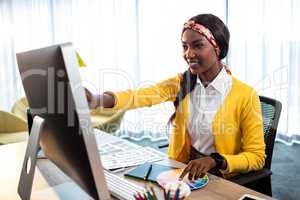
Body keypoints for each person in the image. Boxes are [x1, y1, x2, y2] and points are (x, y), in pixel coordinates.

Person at [85, 13, 265, 180]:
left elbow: (257, 157)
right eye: (185, 46)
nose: (188, 54)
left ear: (218, 48)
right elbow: (140, 96)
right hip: (182, 170)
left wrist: (215, 160)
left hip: (221, 175)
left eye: (198, 45)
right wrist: (96, 100)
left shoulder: (245, 95)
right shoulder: (182, 83)